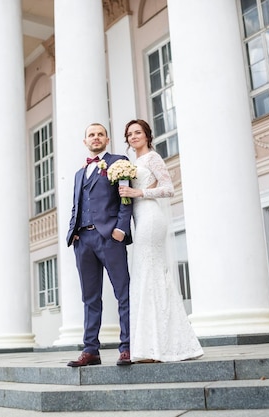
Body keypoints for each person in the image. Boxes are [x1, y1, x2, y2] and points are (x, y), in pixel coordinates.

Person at [118, 119, 203, 363]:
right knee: (146, 275)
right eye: (130, 134)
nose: (133, 136)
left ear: (147, 135)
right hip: (139, 218)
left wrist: (139, 192)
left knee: (150, 274)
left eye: (138, 132)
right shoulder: (132, 163)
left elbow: (169, 188)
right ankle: (150, 345)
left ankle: (159, 346)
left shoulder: (153, 158)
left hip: (151, 218)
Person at [66, 123, 134, 367]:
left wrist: (120, 229)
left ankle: (126, 346)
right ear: (85, 141)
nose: (96, 138)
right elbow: (77, 204)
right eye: (91, 135)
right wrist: (73, 232)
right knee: (90, 297)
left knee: (122, 292)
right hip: (82, 240)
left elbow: (126, 199)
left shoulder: (119, 162)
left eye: (100, 134)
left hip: (108, 237)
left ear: (107, 138)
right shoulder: (78, 173)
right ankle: (91, 349)